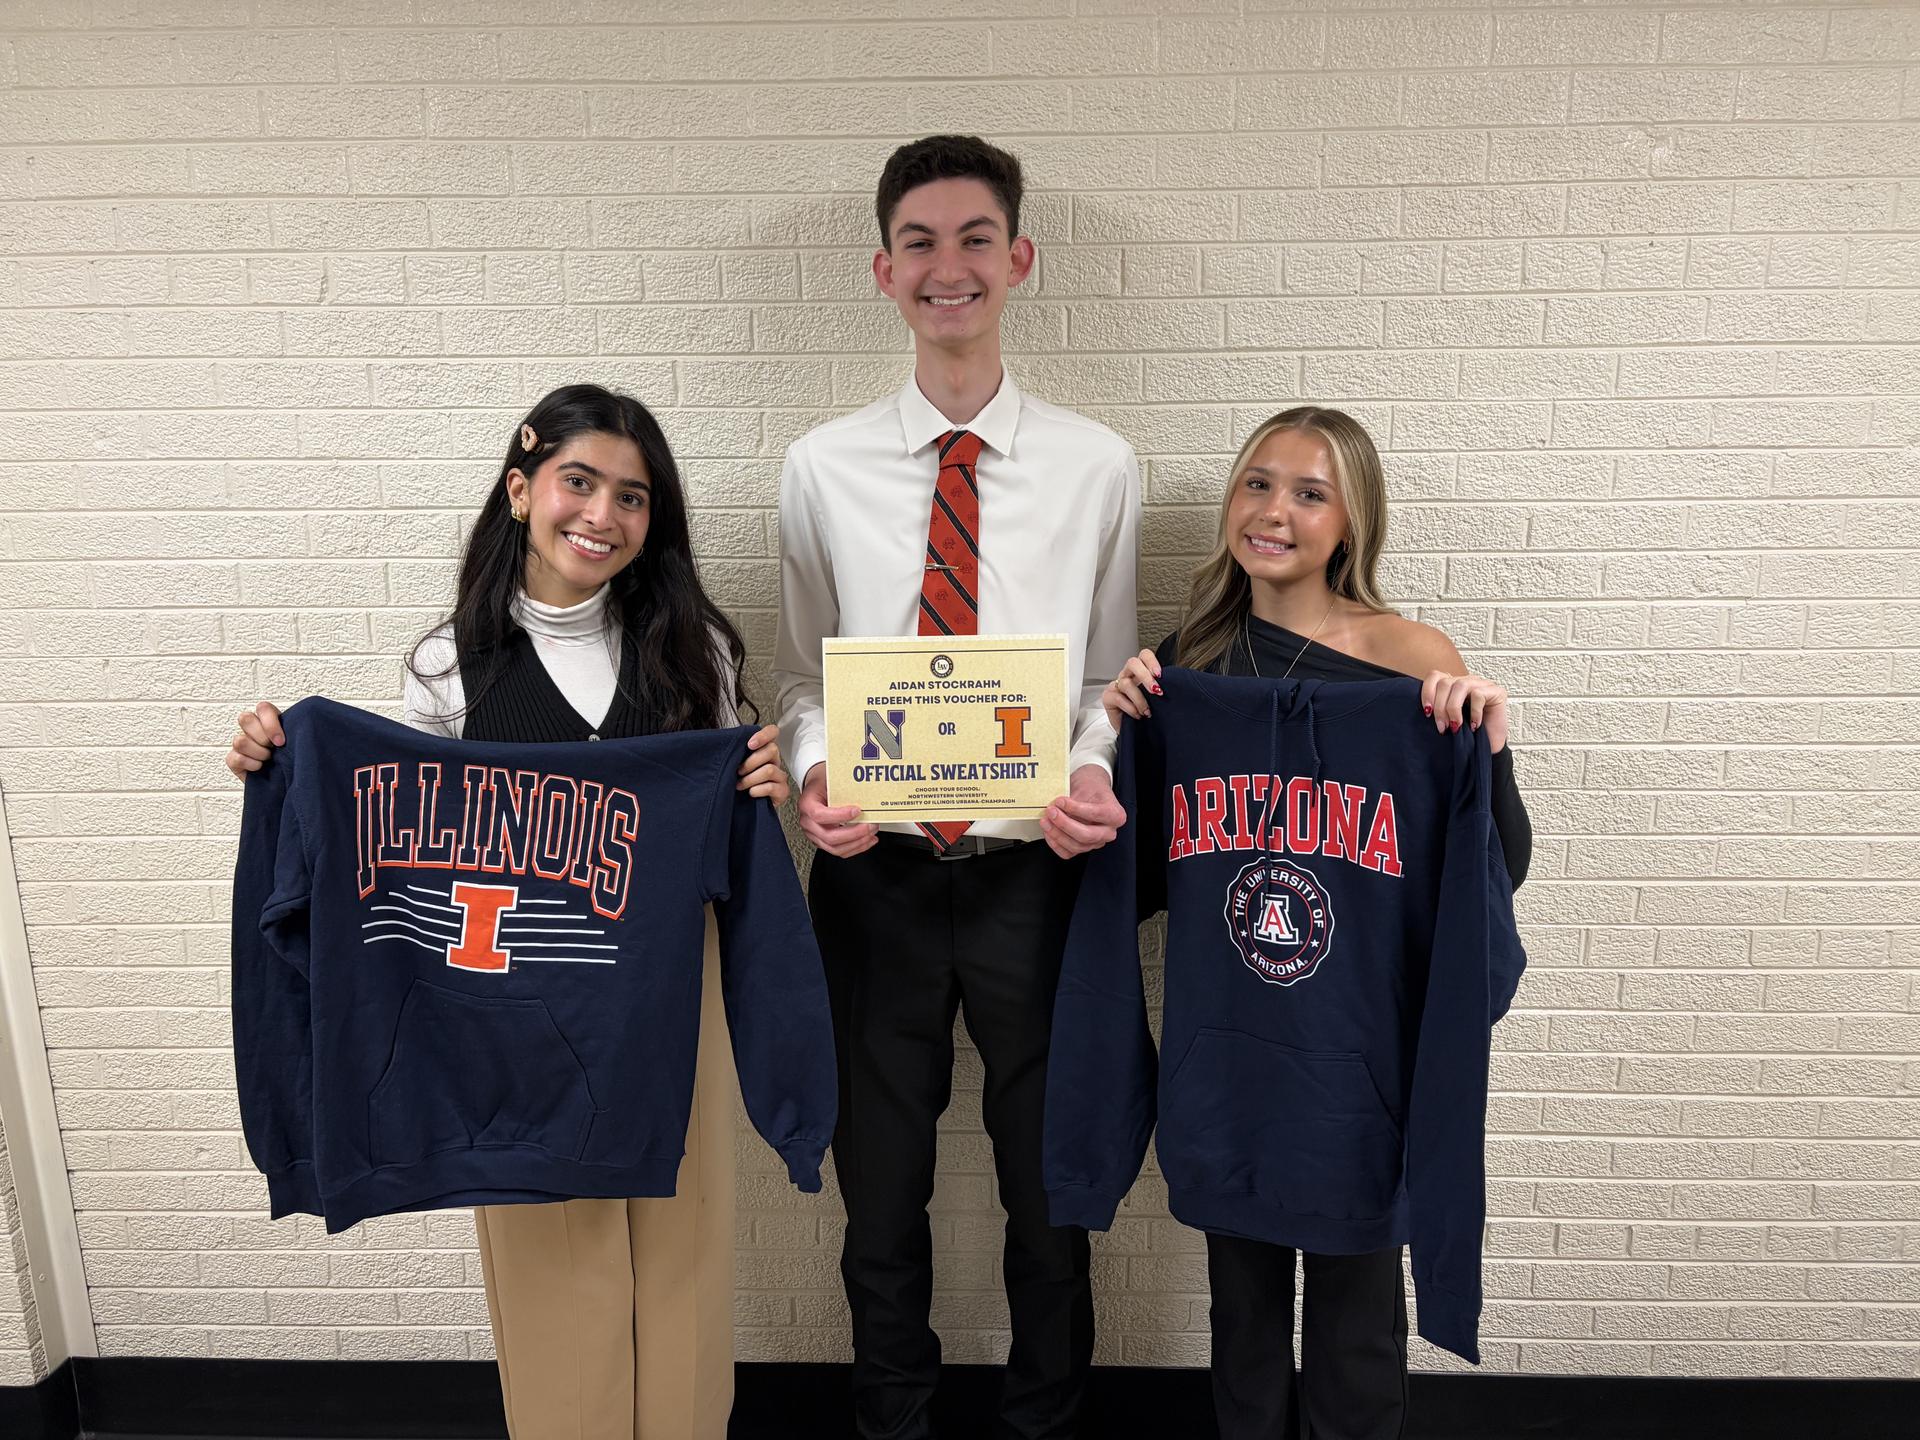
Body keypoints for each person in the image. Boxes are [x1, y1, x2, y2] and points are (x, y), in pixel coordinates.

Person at [224, 382, 787, 1440]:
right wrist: (286, 765)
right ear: (523, 490)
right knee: (551, 1261)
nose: (603, 516)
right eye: (581, 482)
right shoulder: (449, 664)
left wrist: (759, 780)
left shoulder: (691, 649)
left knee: (684, 1248)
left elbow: (724, 830)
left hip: (669, 989)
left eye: (633, 496)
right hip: (514, 1000)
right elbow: (405, 831)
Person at [772, 135, 1140, 1439]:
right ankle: (892, 1418)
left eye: (975, 238)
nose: (949, 267)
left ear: (1019, 260)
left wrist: (1090, 779)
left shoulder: (1099, 465)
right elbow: (809, 679)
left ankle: (1047, 1419)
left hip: (1034, 878)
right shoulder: (820, 468)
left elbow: (1106, 682)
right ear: (884, 272)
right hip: (872, 879)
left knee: (1053, 1186)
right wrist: (816, 775)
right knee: (880, 1188)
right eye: (920, 242)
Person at [1099, 404, 1532, 1440]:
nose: (1275, 510)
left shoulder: (1410, 656)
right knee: (1242, 1330)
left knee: (1357, 1335)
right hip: (1231, 1060)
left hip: (1353, 1058)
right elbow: (1141, 875)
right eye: (1258, 483)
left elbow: (1492, 869)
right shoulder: (1189, 665)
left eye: (1309, 492)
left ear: (1352, 521)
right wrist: (1112, 736)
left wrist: (1491, 749)